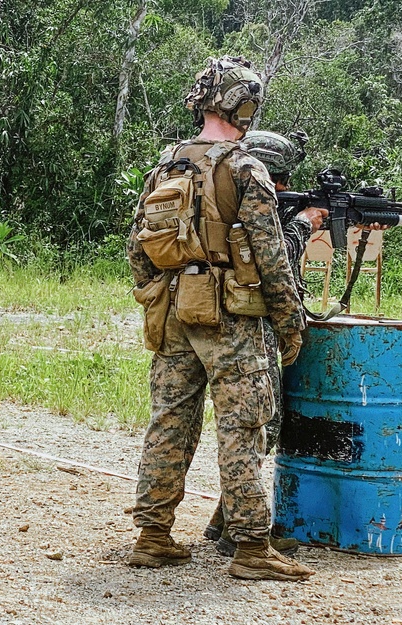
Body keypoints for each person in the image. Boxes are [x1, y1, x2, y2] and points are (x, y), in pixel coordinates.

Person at [127, 56, 314, 581]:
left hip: (174, 313)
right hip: (231, 319)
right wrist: (288, 321)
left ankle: (153, 535)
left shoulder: (167, 165)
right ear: (246, 105)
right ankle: (252, 547)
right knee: (243, 428)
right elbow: (271, 256)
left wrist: (157, 297)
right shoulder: (244, 167)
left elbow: (138, 246)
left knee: (169, 423)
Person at [202, 130, 329, 556]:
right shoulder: (246, 197)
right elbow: (269, 259)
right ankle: (244, 533)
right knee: (257, 427)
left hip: (204, 318)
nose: (280, 187)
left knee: (243, 428)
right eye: (279, 178)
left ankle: (225, 521)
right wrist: (301, 226)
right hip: (245, 324)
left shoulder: (211, 189)